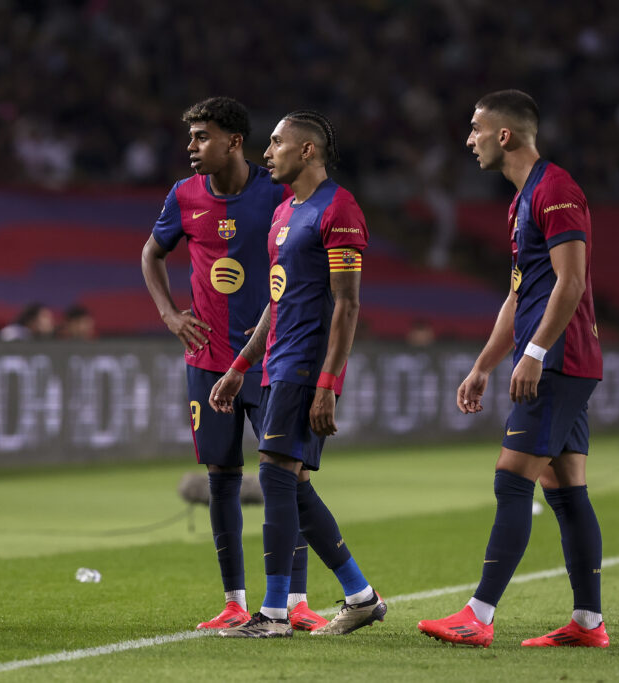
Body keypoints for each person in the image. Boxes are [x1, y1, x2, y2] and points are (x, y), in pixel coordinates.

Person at [417, 90, 606, 648]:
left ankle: (478, 614)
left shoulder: (556, 190)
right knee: (566, 489)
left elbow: (570, 282)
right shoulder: (522, 200)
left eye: (476, 128)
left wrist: (536, 353)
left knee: (511, 478)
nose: (468, 138)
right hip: (560, 359)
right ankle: (589, 624)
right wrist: (482, 366)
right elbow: (518, 294)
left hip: (561, 360)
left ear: (505, 135)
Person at [141, 97, 327, 632]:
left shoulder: (277, 194)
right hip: (205, 359)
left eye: (202, 137)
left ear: (234, 142)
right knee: (222, 477)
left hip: (271, 361)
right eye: (192, 137)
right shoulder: (183, 195)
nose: (192, 147)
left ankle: (295, 603)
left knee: (284, 479)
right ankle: (234, 602)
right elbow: (152, 253)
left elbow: (295, 270)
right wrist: (171, 314)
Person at [210, 111, 386, 638]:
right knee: (294, 484)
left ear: (307, 150)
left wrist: (329, 383)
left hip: (307, 362)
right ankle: (360, 596)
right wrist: (242, 364)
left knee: (273, 473)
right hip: (277, 362)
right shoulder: (286, 212)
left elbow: (348, 305)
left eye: (277, 143)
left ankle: (275, 612)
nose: (267, 153)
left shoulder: (340, 209)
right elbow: (277, 297)